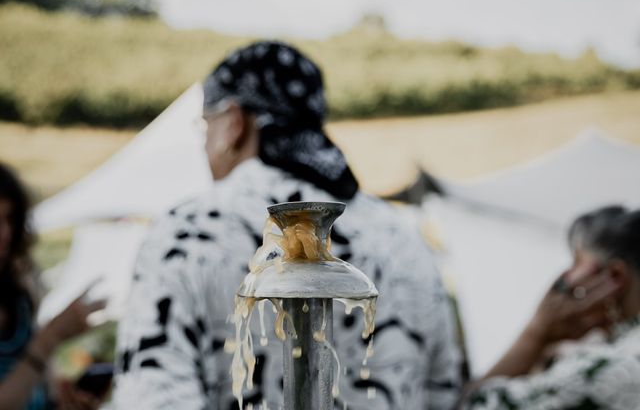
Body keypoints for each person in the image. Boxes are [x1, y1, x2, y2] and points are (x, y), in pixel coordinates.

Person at [114, 41, 462, 409]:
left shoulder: (182, 236)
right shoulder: (403, 238)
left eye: (205, 125)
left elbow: (150, 396)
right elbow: (443, 393)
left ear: (233, 123)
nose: (204, 144)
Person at [461, 206, 640, 409]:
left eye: (576, 263)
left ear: (615, 275)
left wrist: (536, 332)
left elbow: (471, 406)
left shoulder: (602, 368)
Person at [0, 163, 105, 409]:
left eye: (9, 219)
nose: (4, 233)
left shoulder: (19, 285)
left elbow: (33, 381)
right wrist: (50, 338)